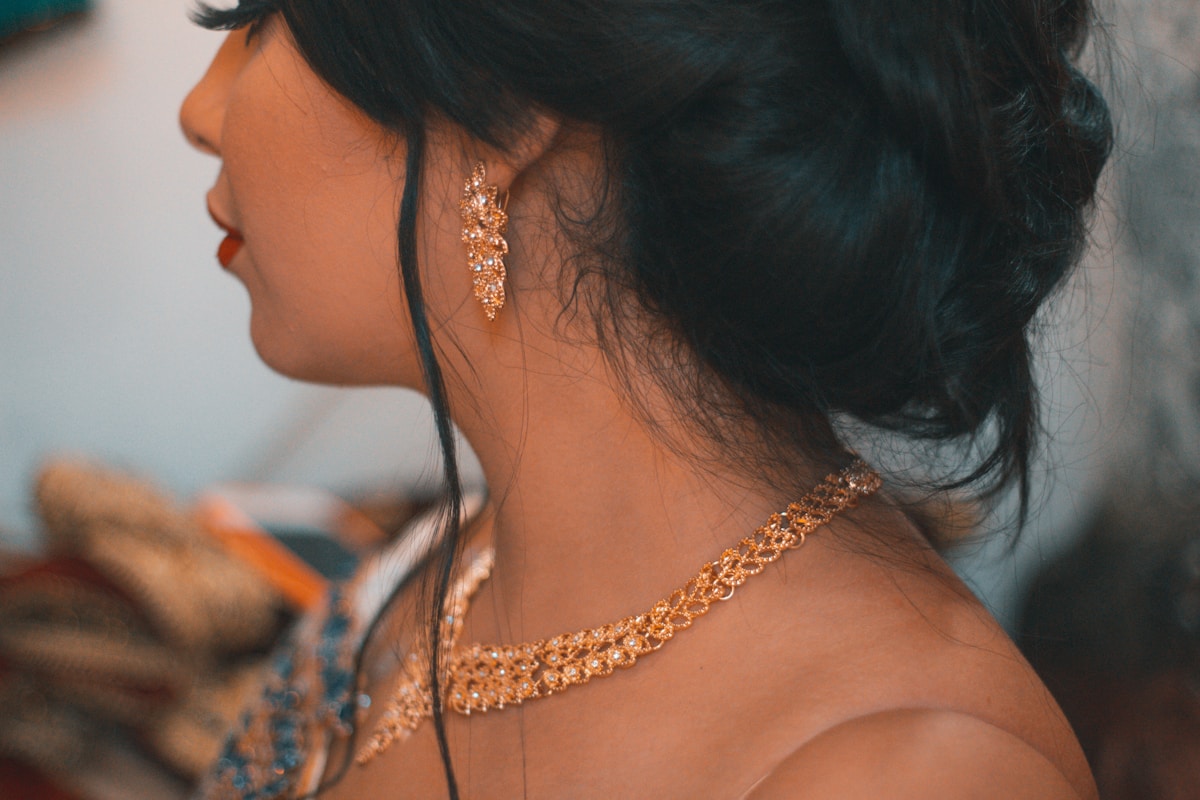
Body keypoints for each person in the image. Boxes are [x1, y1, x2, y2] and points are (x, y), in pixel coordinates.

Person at [177, 1, 1112, 797]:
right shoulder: (427, 571)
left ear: (505, 112)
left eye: (262, 20)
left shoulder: (908, 776)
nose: (200, 109)